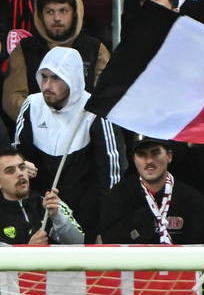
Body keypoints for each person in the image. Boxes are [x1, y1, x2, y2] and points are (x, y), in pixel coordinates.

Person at [12, 44, 122, 232]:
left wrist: (107, 229)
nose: (47, 86)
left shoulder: (95, 110)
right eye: (44, 77)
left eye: (56, 78)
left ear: (73, 79)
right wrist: (22, 165)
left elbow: (111, 176)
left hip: (86, 219)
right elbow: (16, 157)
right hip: (39, 220)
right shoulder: (32, 105)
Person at [96, 138, 204, 245]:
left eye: (155, 153)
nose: (149, 161)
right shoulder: (118, 196)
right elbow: (109, 241)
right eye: (141, 155)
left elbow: (202, 243)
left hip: (179, 266)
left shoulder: (191, 198)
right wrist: (138, 224)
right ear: (134, 159)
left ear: (169, 156)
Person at [0, 144, 83, 245]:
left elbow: (79, 243)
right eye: (10, 171)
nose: (20, 173)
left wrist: (57, 216)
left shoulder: (51, 204)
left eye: (22, 167)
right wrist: (27, 251)